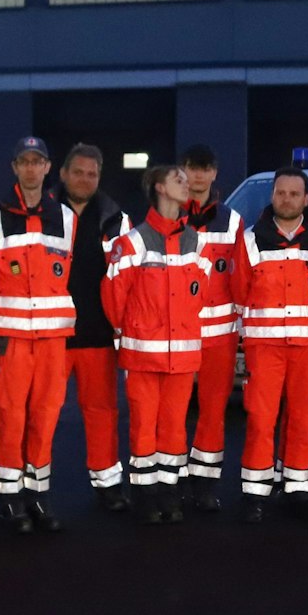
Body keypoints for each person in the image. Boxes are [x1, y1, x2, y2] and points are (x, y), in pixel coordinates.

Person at [0, 136, 77, 533]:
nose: (32, 168)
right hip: (9, 340)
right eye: (25, 161)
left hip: (53, 341)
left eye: (38, 161)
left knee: (45, 417)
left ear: (48, 167)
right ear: (15, 168)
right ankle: (10, 500)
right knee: (9, 417)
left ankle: (38, 496)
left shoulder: (67, 218)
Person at [102, 165, 208, 523]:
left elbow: (200, 297)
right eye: (179, 180)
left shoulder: (196, 241)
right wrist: (135, 332)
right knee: (144, 426)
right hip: (143, 355)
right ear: (160, 188)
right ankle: (146, 495)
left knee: (175, 426)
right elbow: (113, 298)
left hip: (183, 356)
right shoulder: (131, 242)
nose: (187, 184)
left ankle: (169, 492)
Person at [235, 168, 308, 522]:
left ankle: (298, 489)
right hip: (265, 348)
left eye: (295, 194)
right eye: (281, 193)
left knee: (305, 418)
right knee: (261, 418)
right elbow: (238, 293)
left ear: (307, 199)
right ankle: (255, 494)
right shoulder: (250, 240)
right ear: (273, 195)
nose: (287, 199)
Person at [57, 143, 133, 511]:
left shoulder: (114, 218)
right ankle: (30, 489)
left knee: (102, 411)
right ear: (63, 174)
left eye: (92, 173)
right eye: (78, 172)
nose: (85, 179)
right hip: (51, 334)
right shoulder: (42, 213)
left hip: (97, 334)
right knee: (38, 414)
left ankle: (107, 484)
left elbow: (127, 280)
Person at [181, 144, 244, 510]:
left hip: (220, 334)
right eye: (193, 167)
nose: (199, 175)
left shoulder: (233, 222)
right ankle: (169, 479)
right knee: (172, 412)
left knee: (212, 410)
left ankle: (204, 482)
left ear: (215, 173)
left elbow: (239, 278)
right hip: (178, 332)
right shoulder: (169, 215)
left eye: (205, 168)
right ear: (183, 171)